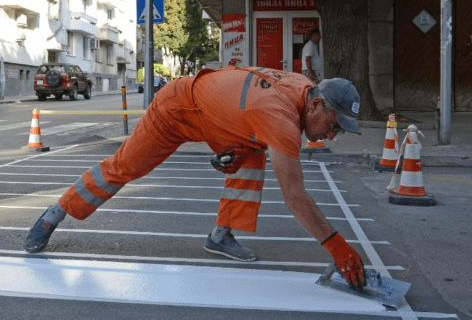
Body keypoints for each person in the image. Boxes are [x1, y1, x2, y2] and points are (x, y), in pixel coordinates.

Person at [23, 66, 367, 288]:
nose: (331, 136)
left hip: (214, 116)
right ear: (317, 105)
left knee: (252, 158)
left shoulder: (302, 88)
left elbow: (245, 104)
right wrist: (337, 246)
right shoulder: (279, 117)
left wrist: (235, 142)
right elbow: (295, 196)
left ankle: (220, 235)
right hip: (176, 109)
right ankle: (58, 211)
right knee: (126, 165)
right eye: (334, 126)